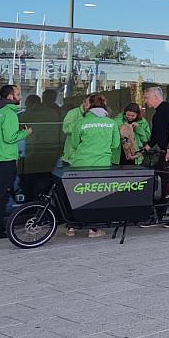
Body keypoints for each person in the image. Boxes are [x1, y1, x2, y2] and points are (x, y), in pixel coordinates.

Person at [0, 84, 31, 240]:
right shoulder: (9, 114)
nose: (20, 96)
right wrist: (25, 132)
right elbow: (10, 138)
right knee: (1, 196)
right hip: (5, 159)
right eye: (18, 94)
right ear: (10, 97)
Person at [66, 95, 119, 238]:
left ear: (90, 106)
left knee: (77, 194)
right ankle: (93, 229)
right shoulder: (111, 123)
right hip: (101, 165)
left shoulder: (80, 122)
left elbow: (74, 144)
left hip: (81, 163)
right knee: (95, 197)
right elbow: (115, 144)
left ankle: (71, 226)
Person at [142, 86, 169, 228]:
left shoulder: (168, 108)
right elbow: (155, 136)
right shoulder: (157, 114)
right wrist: (144, 150)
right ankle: (158, 215)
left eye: (146, 97)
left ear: (155, 96)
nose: (145, 100)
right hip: (165, 151)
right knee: (164, 183)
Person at [61, 95, 92, 166]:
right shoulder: (73, 113)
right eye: (90, 102)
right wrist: (83, 121)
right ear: (84, 102)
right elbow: (66, 129)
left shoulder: (98, 116)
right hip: (72, 158)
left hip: (91, 157)